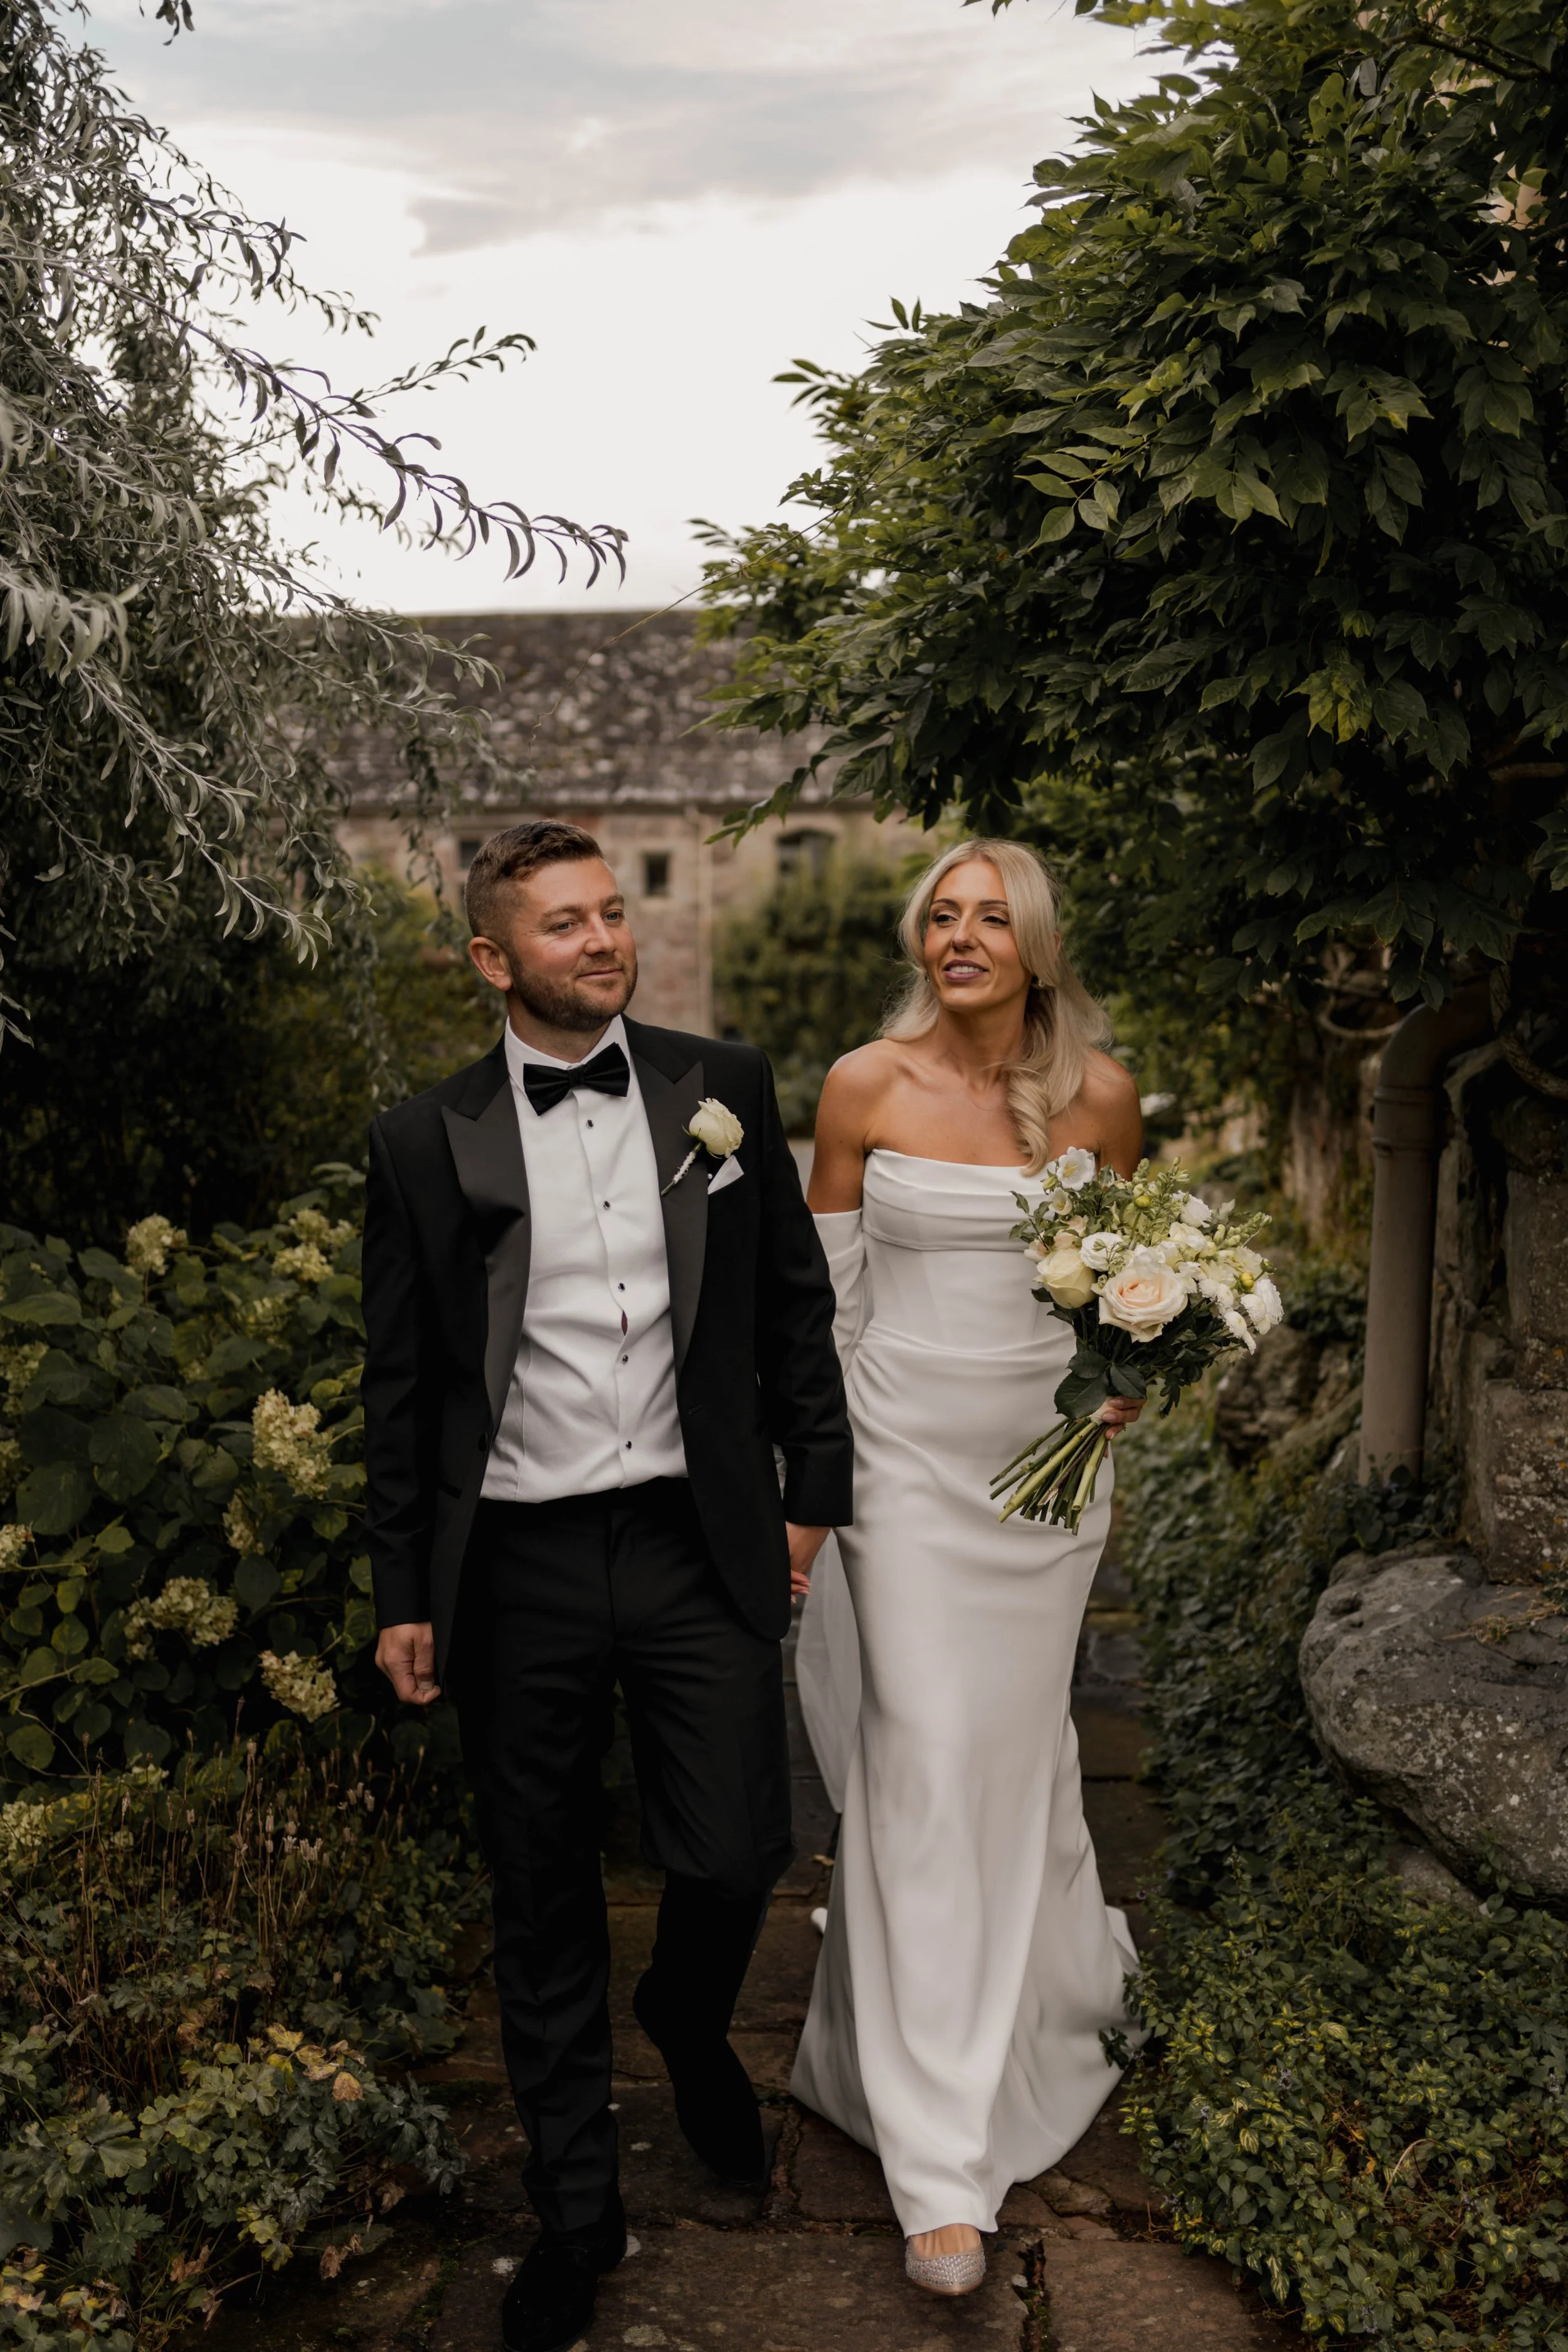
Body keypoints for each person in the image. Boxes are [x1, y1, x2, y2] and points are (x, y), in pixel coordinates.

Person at [361, 820, 851, 2352]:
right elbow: (400, 1385)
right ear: (492, 961)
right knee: (540, 1887)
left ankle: (689, 2017)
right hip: (514, 1558)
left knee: (736, 1848)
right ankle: (577, 2212)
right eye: (562, 924)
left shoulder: (724, 1086)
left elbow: (789, 1304)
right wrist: (403, 1591)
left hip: (692, 1532)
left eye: (607, 912)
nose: (602, 938)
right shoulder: (421, 1137)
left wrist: (811, 1493)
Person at [792, 838, 1145, 2299]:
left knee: (1012, 1754)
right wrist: (809, 1496)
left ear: (1035, 945)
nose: (959, 935)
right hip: (904, 1467)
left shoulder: (1103, 1100)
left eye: (989, 916)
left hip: (1046, 1480)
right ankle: (937, 2164)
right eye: (940, 913)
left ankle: (1046, 1994)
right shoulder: (861, 1084)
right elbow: (826, 1306)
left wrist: (1129, 1373)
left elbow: (1130, 1293)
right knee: (926, 1751)